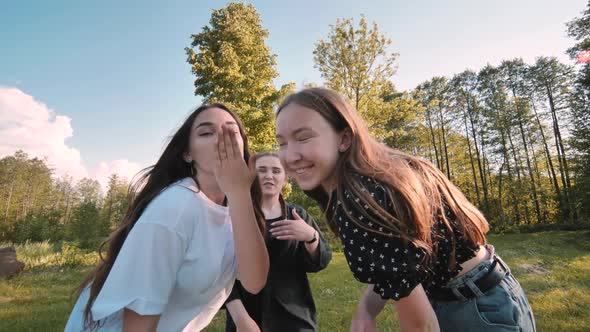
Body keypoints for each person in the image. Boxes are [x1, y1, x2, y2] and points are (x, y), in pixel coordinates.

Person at [274, 87, 536, 332]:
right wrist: (367, 309)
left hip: (474, 311)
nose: (290, 155)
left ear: (344, 138)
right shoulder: (379, 176)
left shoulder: (361, 201)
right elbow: (398, 263)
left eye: (303, 137)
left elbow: (422, 327)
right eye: (282, 143)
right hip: (491, 293)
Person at [65, 104, 269, 331]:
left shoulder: (235, 205)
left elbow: (254, 281)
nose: (222, 139)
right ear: (187, 153)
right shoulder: (175, 207)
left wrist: (239, 194)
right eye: (206, 132)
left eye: (232, 132)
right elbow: (137, 325)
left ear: (243, 146)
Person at [225, 152, 332, 332]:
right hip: (247, 317)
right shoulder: (234, 216)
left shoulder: (297, 215)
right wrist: (240, 318)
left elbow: (320, 262)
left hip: (294, 317)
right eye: (262, 170)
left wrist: (310, 236)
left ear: (285, 178)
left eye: (276, 171)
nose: (269, 176)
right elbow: (223, 272)